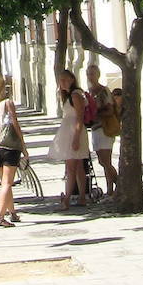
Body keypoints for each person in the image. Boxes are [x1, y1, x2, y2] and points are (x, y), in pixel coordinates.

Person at [0, 73, 26, 227]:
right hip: (8, 147)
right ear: (4, 88)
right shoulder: (7, 103)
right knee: (7, 183)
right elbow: (16, 125)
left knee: (4, 183)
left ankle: (12, 212)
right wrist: (23, 146)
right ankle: (0, 216)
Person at [49, 70, 89, 207]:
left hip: (74, 133)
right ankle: (81, 196)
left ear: (72, 79)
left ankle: (67, 198)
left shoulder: (75, 95)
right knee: (76, 167)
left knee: (72, 167)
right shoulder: (68, 95)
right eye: (60, 80)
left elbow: (79, 117)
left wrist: (76, 137)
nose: (62, 82)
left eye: (65, 79)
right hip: (69, 132)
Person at [86, 64, 119, 198]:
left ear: (98, 75)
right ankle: (115, 186)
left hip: (105, 128)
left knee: (106, 161)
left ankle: (113, 187)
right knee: (102, 161)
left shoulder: (103, 90)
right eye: (88, 74)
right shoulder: (89, 92)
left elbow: (110, 109)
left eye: (92, 73)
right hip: (95, 129)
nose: (90, 76)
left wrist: (96, 114)